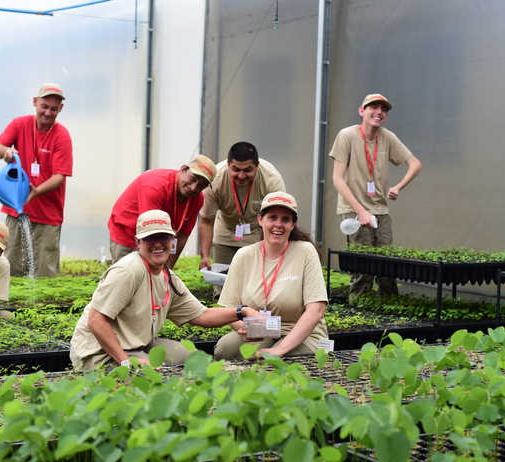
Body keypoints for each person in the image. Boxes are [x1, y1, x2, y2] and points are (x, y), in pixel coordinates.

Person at [71, 210, 260, 369]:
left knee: (193, 357)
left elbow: (202, 315)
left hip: (139, 344)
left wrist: (242, 312)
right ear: (138, 242)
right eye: (149, 238)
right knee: (150, 378)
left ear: (172, 240)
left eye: (163, 237)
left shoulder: (167, 276)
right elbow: (96, 321)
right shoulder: (129, 270)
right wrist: (126, 361)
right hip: (100, 352)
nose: (158, 243)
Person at [214, 192, 329, 360]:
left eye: (285, 219)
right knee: (225, 350)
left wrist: (281, 348)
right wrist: (246, 328)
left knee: (272, 362)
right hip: (263, 330)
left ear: (293, 224)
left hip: (305, 333)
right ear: (261, 220)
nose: (278, 224)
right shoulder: (244, 255)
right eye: (272, 217)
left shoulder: (305, 252)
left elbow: (316, 310)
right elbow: (230, 307)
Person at [329, 93, 422, 297]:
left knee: (387, 266)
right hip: (354, 210)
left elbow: (415, 164)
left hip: (380, 210)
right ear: (362, 111)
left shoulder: (387, 137)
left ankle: (390, 310)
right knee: (363, 267)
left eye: (384, 109)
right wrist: (360, 212)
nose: (379, 112)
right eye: (374, 107)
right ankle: (360, 310)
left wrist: (398, 187)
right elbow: (338, 179)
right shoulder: (347, 135)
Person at [0, 83, 73, 278]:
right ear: (35, 102)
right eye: (44, 106)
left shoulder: (62, 136)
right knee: (10, 266)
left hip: (48, 215)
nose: (48, 112)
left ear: (60, 109)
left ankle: (44, 307)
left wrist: (35, 191)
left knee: (46, 271)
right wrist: (6, 152)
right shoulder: (20, 124)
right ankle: (11, 305)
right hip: (16, 208)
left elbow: (59, 177)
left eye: (54, 109)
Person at [107, 156, 217, 268]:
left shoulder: (197, 199)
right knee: (126, 276)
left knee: (155, 278)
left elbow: (183, 234)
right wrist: (157, 268)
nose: (194, 188)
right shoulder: (155, 186)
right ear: (183, 169)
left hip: (155, 236)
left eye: (201, 185)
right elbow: (149, 230)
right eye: (193, 179)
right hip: (127, 232)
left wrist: (168, 268)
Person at [198, 141, 286, 277]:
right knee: (223, 283)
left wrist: (274, 249)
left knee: (255, 280)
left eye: (247, 170)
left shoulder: (272, 180)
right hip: (225, 232)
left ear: (257, 166)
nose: (241, 176)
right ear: (228, 165)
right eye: (236, 169)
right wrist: (204, 256)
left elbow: (278, 221)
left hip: (257, 233)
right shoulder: (214, 180)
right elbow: (206, 221)